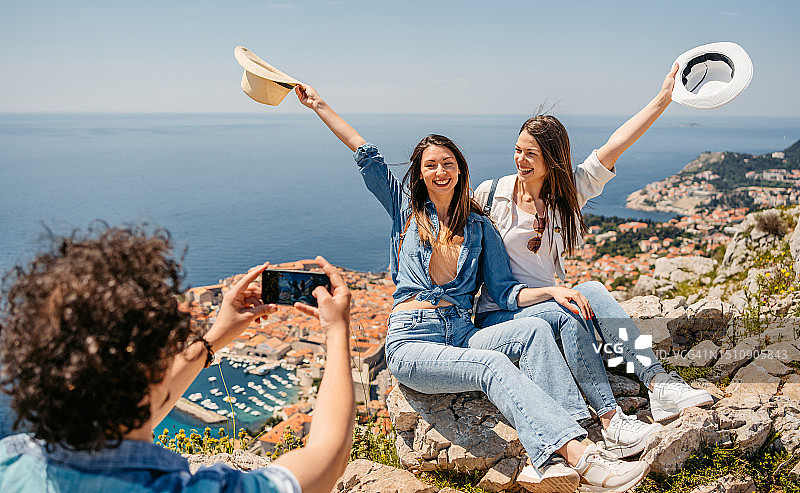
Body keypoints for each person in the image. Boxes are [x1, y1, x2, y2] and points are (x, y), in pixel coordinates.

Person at [296, 84, 652, 493]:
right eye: (430, 165)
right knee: (493, 367)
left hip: (464, 334)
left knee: (536, 330)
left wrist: (553, 292)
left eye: (448, 163)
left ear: (461, 170)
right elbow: (365, 153)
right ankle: (582, 459)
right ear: (420, 172)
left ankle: (581, 438)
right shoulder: (405, 211)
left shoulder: (481, 227)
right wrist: (319, 105)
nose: (440, 171)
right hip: (413, 339)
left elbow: (503, 292)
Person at [0, 225, 354, 493]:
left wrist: (215, 338)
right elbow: (327, 456)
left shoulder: (9, 465)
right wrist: (337, 332)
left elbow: (131, 408)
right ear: (153, 369)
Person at [473, 63, 714, 425]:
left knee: (593, 289)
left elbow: (616, 144)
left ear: (551, 160)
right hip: (504, 310)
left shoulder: (568, 193)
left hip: (554, 300)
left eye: (530, 154)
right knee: (571, 307)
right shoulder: (491, 196)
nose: (519, 160)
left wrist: (663, 99)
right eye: (517, 150)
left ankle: (659, 383)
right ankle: (609, 417)